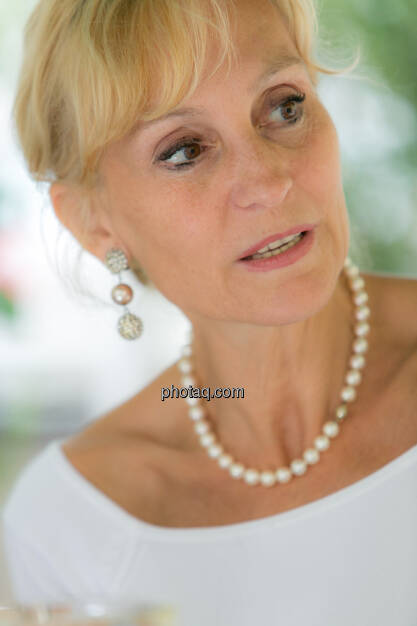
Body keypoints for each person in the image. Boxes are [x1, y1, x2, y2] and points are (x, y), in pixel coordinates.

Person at [2, 0, 417, 624]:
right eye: (184, 151)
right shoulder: (70, 527)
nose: (269, 181)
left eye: (285, 107)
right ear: (94, 222)